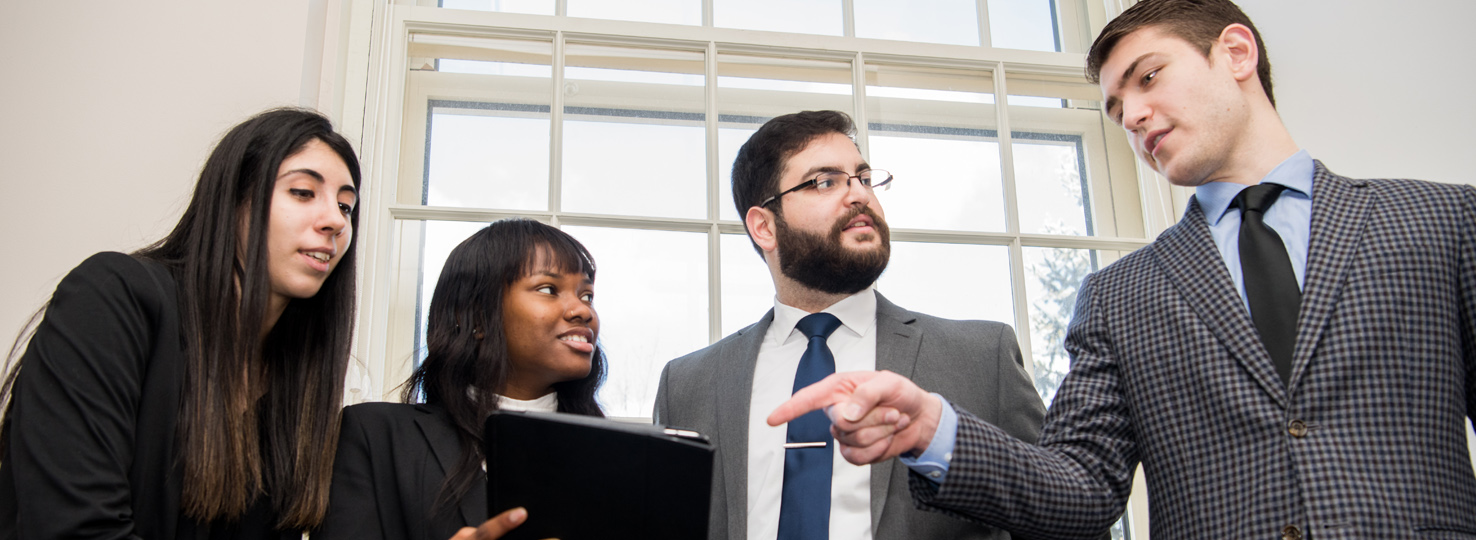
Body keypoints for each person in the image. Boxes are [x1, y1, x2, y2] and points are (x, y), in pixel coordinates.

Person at [768, 0, 1476, 538]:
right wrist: (934, 429)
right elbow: (1081, 487)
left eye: (1148, 78)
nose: (1133, 115)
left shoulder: (1440, 222)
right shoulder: (1119, 295)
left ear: (1235, 52)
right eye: (1115, 106)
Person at [654, 110, 1046, 540]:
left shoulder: (981, 358)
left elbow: (1062, 521)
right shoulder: (686, 384)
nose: (859, 194)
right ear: (764, 227)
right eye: (826, 181)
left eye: (863, 177)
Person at [0, 108, 361, 539]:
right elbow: (73, 528)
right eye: (303, 192)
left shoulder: (293, 388)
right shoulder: (114, 297)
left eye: (346, 205)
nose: (336, 221)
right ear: (234, 200)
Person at [316, 218, 607, 540]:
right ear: (475, 316)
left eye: (587, 295)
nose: (583, 311)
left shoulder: (615, 456)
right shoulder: (375, 435)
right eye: (548, 289)